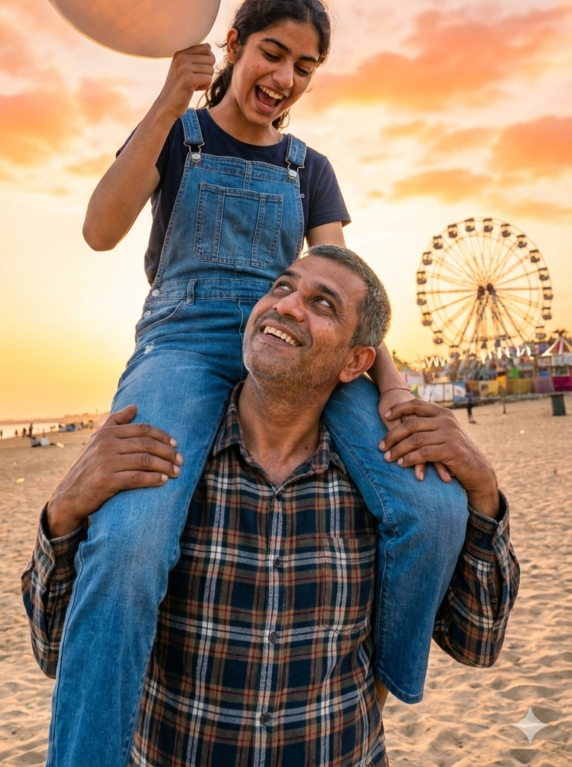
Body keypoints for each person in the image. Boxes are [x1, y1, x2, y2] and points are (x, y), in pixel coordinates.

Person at [45, 0, 469, 767]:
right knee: (132, 542)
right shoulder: (180, 135)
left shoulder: (311, 169)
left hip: (292, 340)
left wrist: (393, 382)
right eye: (273, 53)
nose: (286, 78)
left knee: (432, 506)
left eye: (306, 67)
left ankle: (379, 680)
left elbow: (343, 282)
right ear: (234, 42)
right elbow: (100, 230)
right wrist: (170, 97)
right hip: (184, 344)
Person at [23, 248, 519, 767]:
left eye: (322, 303)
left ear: (356, 361)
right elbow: (56, 651)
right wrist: (62, 513)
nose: (287, 306)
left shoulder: (388, 491)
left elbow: (477, 642)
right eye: (282, 287)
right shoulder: (156, 470)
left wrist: (483, 491)